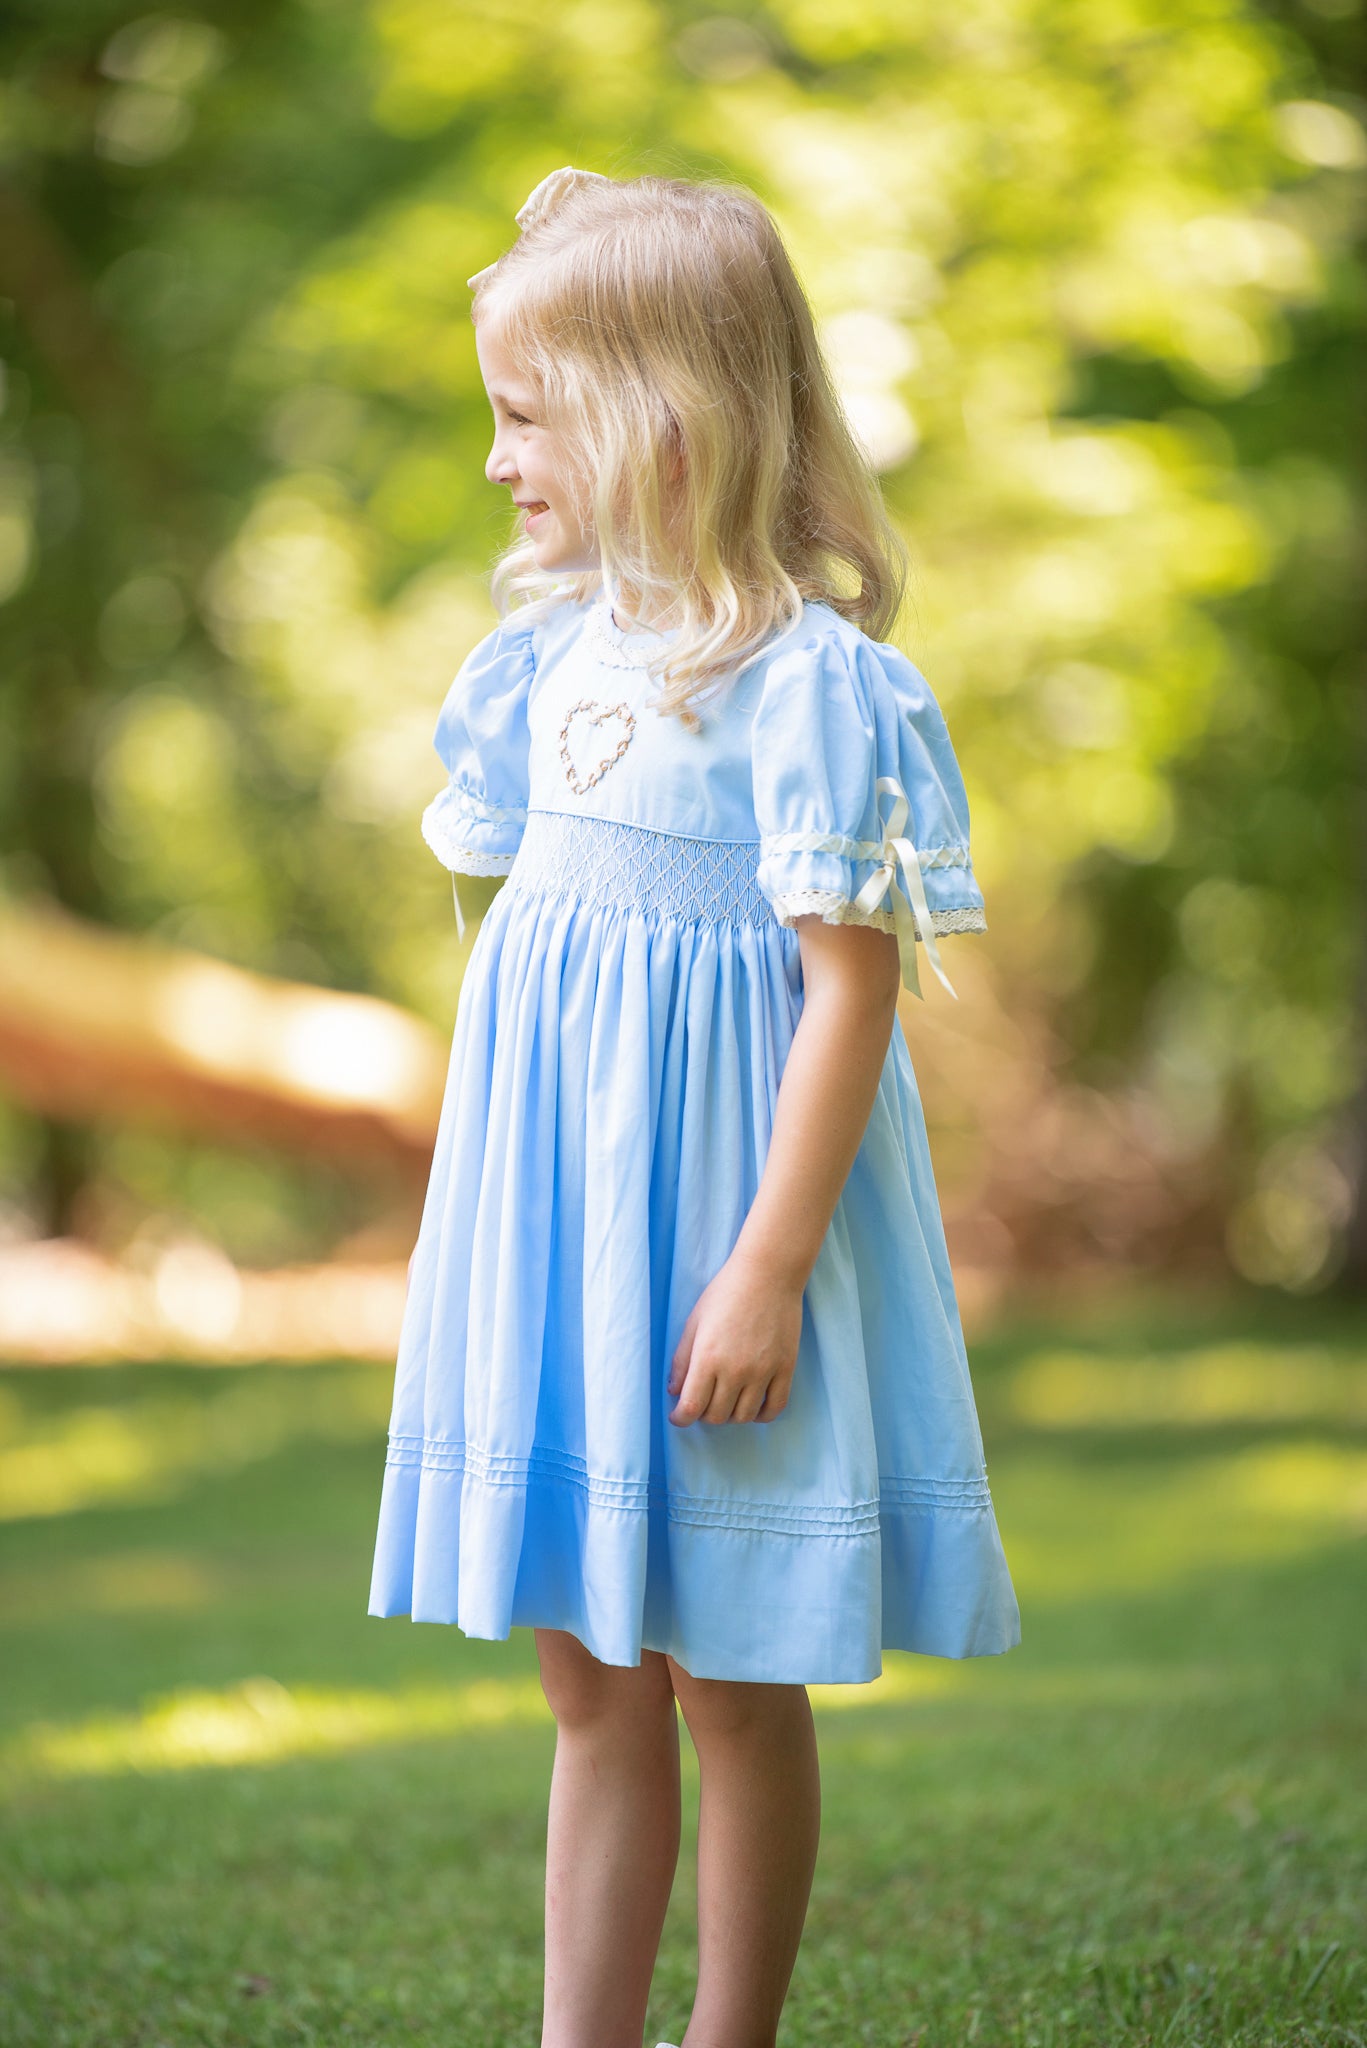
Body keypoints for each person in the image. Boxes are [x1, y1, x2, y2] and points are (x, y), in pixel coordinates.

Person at [368, 164, 1020, 2048]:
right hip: (569, 1229)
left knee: (731, 1673)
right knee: (592, 1681)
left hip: (726, 1229)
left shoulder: (815, 689)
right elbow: (552, 977)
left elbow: (849, 991)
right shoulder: (541, 665)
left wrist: (765, 1268)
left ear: (664, 408)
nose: (498, 460)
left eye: (524, 411)